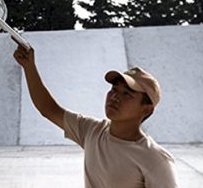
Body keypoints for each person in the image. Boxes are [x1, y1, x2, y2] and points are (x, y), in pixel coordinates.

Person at [13, 45, 178, 187]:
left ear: (146, 109)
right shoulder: (92, 130)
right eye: (114, 89)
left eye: (127, 94)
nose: (114, 97)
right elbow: (48, 109)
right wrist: (29, 67)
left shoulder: (156, 160)